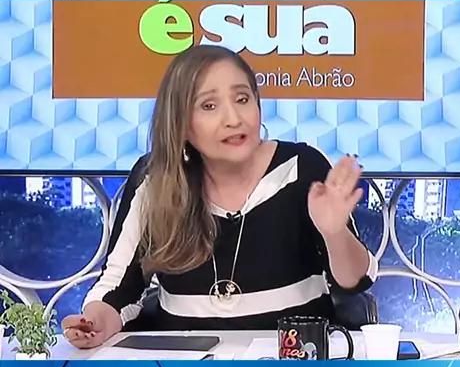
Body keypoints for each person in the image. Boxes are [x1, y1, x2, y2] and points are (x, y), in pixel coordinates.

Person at [62, 45, 377, 349]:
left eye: (242, 99)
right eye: (209, 106)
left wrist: (334, 233)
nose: (234, 119)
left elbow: (356, 280)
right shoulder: (156, 180)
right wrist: (96, 322)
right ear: (181, 123)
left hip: (294, 365)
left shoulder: (301, 168)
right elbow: (118, 288)